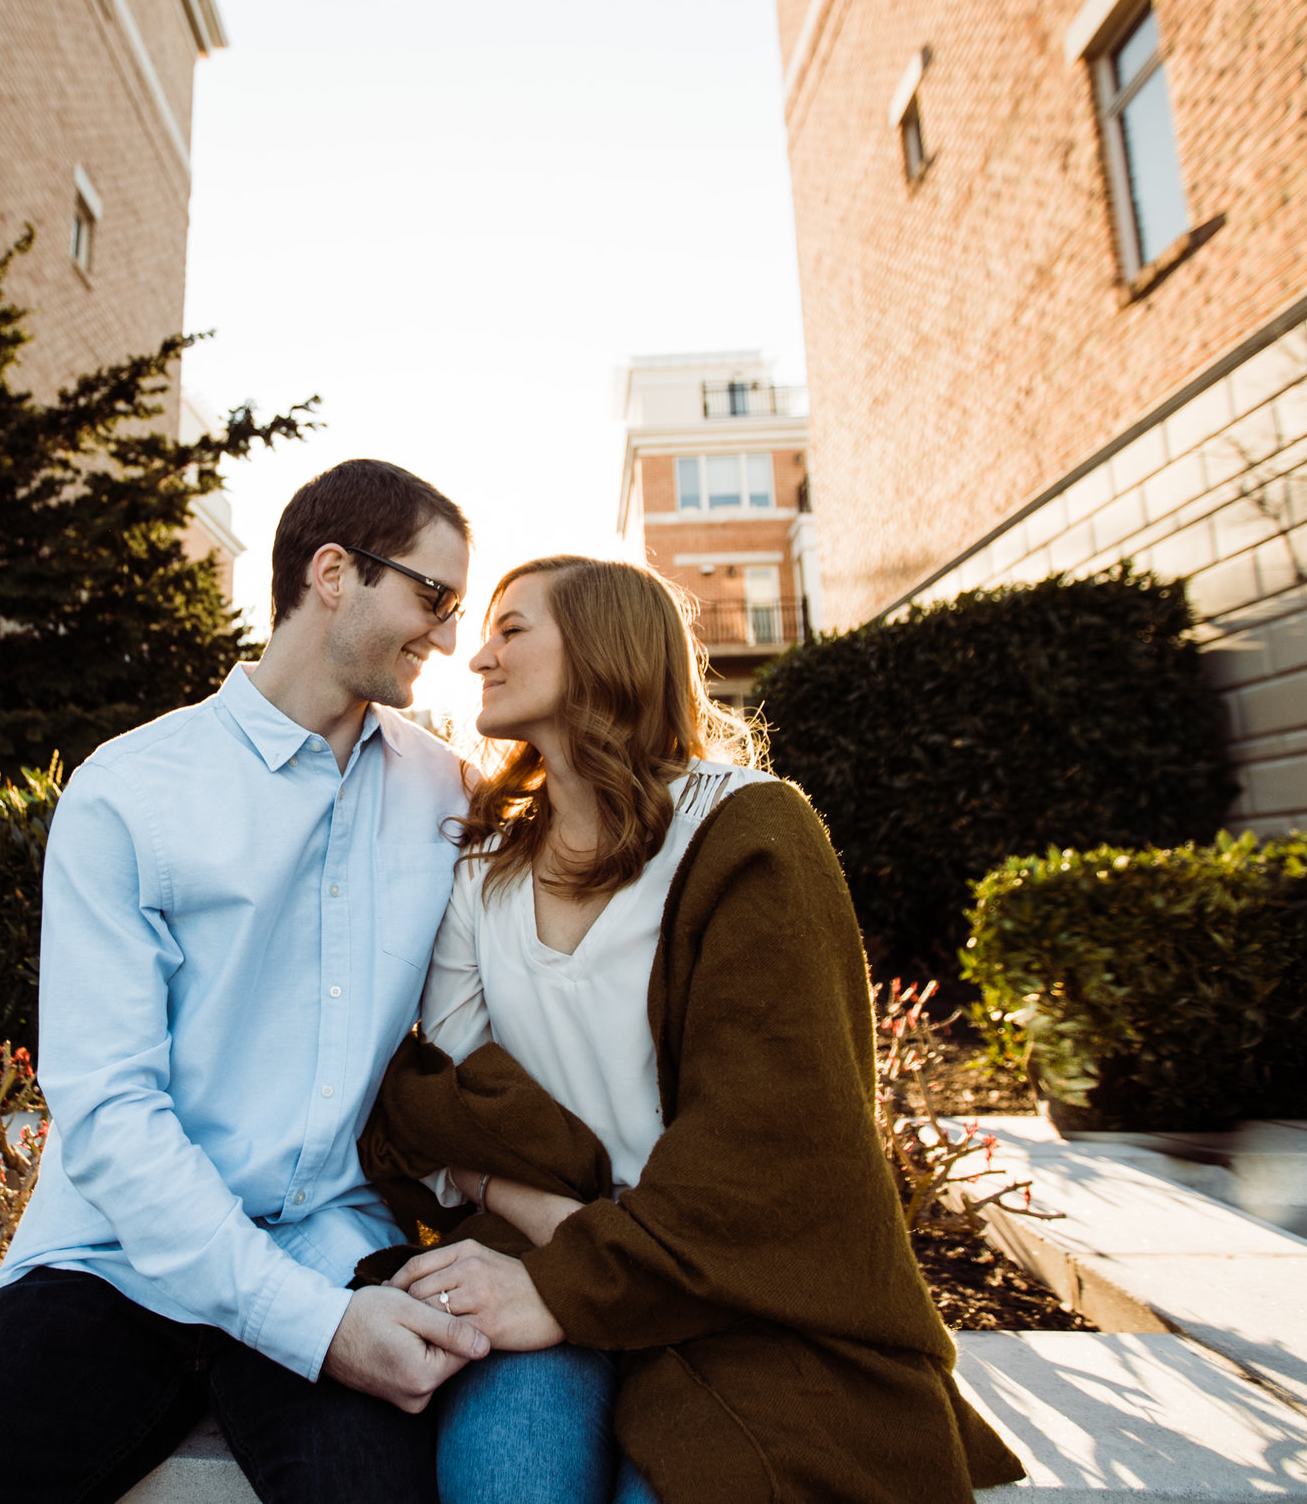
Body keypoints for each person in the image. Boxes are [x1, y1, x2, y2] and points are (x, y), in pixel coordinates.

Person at [0, 459, 494, 1504]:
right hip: (114, 1264)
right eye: (434, 597)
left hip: (336, 1249)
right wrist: (311, 1326)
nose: (451, 638)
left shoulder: (449, 795)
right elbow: (109, 1115)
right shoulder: (129, 792)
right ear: (334, 571)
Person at [355, 556, 1026, 1504]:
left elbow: (773, 1137)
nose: (477, 657)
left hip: (741, 1295)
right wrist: (542, 1217)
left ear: (603, 646)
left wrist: (580, 1248)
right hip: (536, 1263)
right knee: (507, 1483)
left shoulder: (749, 828)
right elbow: (449, 1103)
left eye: (512, 628)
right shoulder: (486, 867)